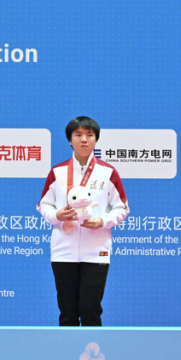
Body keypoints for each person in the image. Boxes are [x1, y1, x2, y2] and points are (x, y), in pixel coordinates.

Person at [38, 117, 128, 327]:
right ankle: (67, 358)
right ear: (70, 140)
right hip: (63, 251)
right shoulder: (57, 172)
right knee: (67, 312)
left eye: (89, 135)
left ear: (96, 139)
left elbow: (122, 208)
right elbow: (44, 205)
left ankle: (92, 358)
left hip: (97, 251)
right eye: (78, 135)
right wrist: (57, 216)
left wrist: (102, 221)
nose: (84, 140)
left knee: (90, 310)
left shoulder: (108, 173)